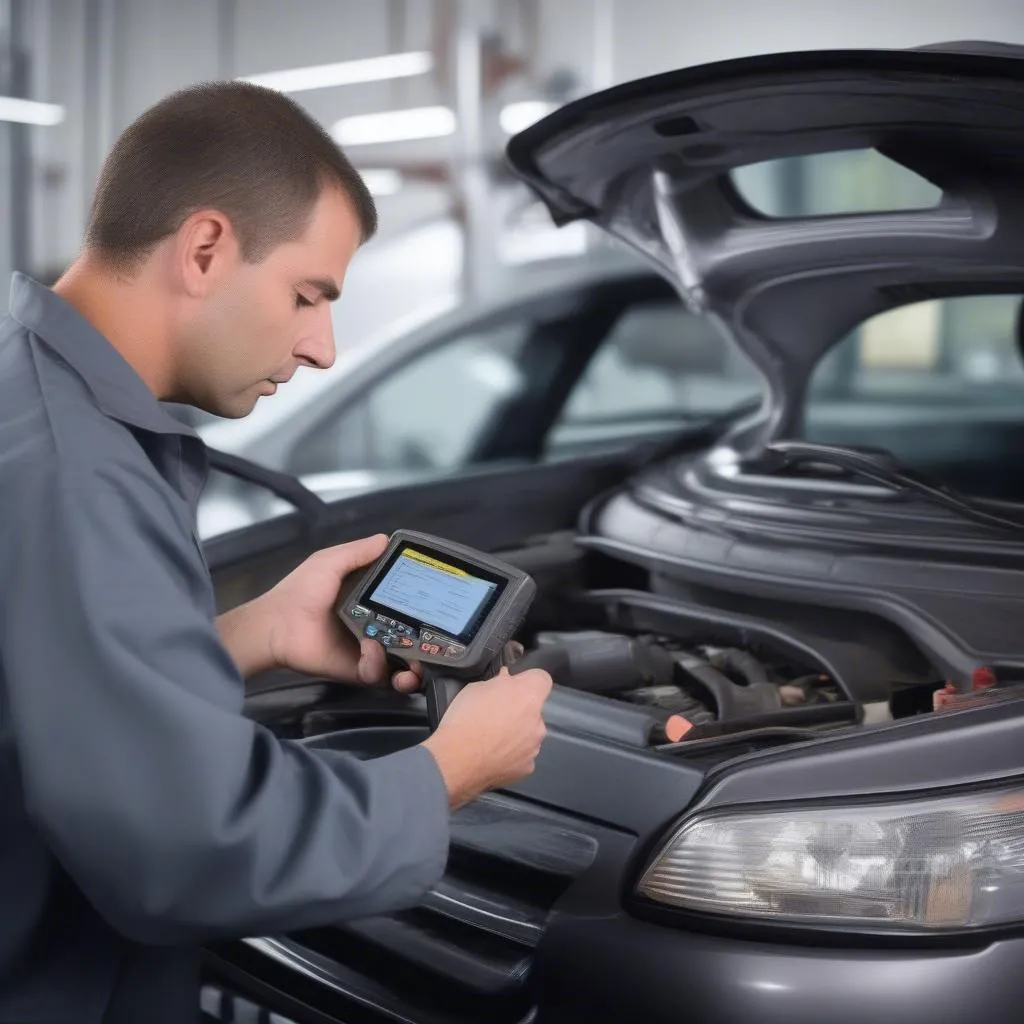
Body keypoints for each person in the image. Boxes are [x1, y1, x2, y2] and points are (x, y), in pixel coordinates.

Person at [0, 81, 553, 1023]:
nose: (322, 347)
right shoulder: (82, 476)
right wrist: (450, 769)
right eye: (308, 295)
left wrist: (251, 632)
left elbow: (40, 702)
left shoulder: (27, 379)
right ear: (206, 248)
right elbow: (187, 846)